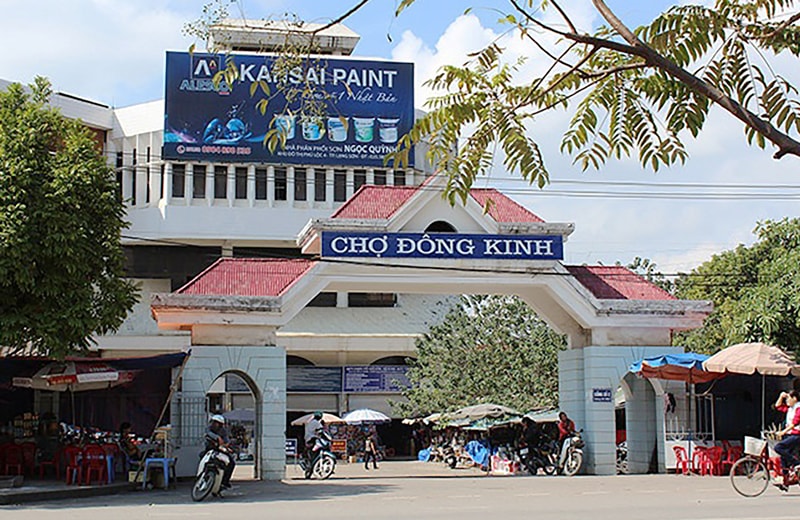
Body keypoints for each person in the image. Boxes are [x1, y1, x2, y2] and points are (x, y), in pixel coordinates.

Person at [773, 390, 800, 489]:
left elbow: (794, 423)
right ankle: (786, 480)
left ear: (795, 399)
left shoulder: (798, 408)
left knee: (778, 448)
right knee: (783, 457)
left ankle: (797, 463)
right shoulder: (790, 408)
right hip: (789, 435)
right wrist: (781, 396)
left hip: (797, 435)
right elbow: (778, 406)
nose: (787, 401)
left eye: (788, 398)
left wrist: (782, 432)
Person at [205, 414, 235, 489]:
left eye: (217, 423)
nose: (215, 424)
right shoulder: (209, 428)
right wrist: (217, 437)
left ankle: (224, 482)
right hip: (210, 448)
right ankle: (203, 476)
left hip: (220, 449)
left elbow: (226, 439)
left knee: (231, 463)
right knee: (203, 457)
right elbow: (208, 433)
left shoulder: (223, 431)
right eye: (214, 422)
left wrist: (227, 444)